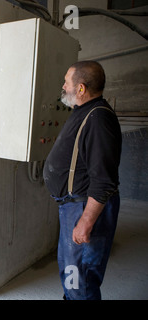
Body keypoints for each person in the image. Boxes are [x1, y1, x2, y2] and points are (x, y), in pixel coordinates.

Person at [43, 60, 122, 300]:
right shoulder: (85, 111)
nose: (63, 87)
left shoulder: (98, 119)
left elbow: (104, 181)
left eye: (67, 82)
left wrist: (85, 222)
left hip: (83, 207)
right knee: (72, 271)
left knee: (81, 276)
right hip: (73, 206)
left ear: (81, 88)